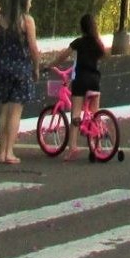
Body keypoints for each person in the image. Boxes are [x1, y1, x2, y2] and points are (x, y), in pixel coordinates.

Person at [47, 11, 107, 159]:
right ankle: (96, 145)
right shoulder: (97, 43)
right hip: (95, 80)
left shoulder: (78, 43)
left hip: (81, 80)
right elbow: (105, 54)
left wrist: (51, 64)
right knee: (95, 114)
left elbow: (63, 56)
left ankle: (72, 147)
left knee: (75, 114)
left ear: (82, 28)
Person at [0, 0, 37, 164]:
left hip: (2, 67)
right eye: (30, 1)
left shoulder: (0, 21)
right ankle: (9, 151)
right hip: (21, 68)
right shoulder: (27, 21)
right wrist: (37, 67)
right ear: (25, 2)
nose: (31, 4)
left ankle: (1, 151)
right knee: (15, 111)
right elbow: (33, 48)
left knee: (4, 109)